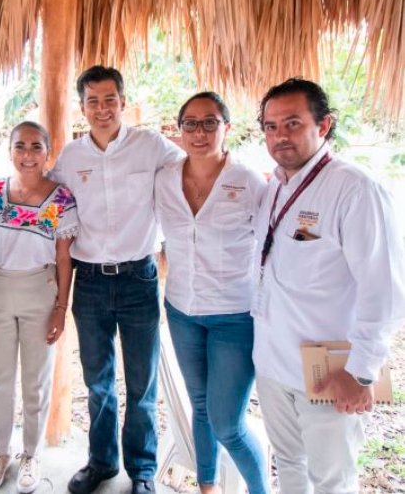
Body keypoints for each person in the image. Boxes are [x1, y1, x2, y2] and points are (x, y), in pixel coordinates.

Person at [253, 77, 405, 493]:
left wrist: (360, 373)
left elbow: (386, 293)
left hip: (330, 370)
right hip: (273, 363)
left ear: (323, 125)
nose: (280, 136)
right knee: (289, 465)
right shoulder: (275, 187)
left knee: (332, 481)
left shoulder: (356, 190)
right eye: (270, 126)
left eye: (292, 123)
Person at [51, 66, 183, 494]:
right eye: (93, 101)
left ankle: (142, 470)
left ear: (123, 102)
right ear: (82, 107)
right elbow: (48, 199)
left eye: (110, 99)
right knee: (98, 382)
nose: (102, 108)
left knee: (142, 383)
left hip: (138, 278)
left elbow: (193, 171)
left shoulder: (151, 146)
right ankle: (102, 462)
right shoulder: (71, 157)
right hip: (89, 281)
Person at [155, 92, 269, 494]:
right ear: (179, 129)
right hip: (182, 310)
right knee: (200, 407)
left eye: (210, 122)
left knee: (228, 423)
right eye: (190, 123)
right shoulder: (164, 179)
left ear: (227, 128)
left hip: (235, 315)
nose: (199, 132)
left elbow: (272, 248)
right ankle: (208, 487)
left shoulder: (249, 182)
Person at [0, 122, 77, 494]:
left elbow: (64, 258)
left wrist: (60, 308)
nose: (28, 155)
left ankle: (31, 453)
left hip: (40, 291)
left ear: (48, 153)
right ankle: (0, 451)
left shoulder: (61, 199)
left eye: (37, 147)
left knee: (36, 380)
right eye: (20, 146)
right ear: (9, 151)